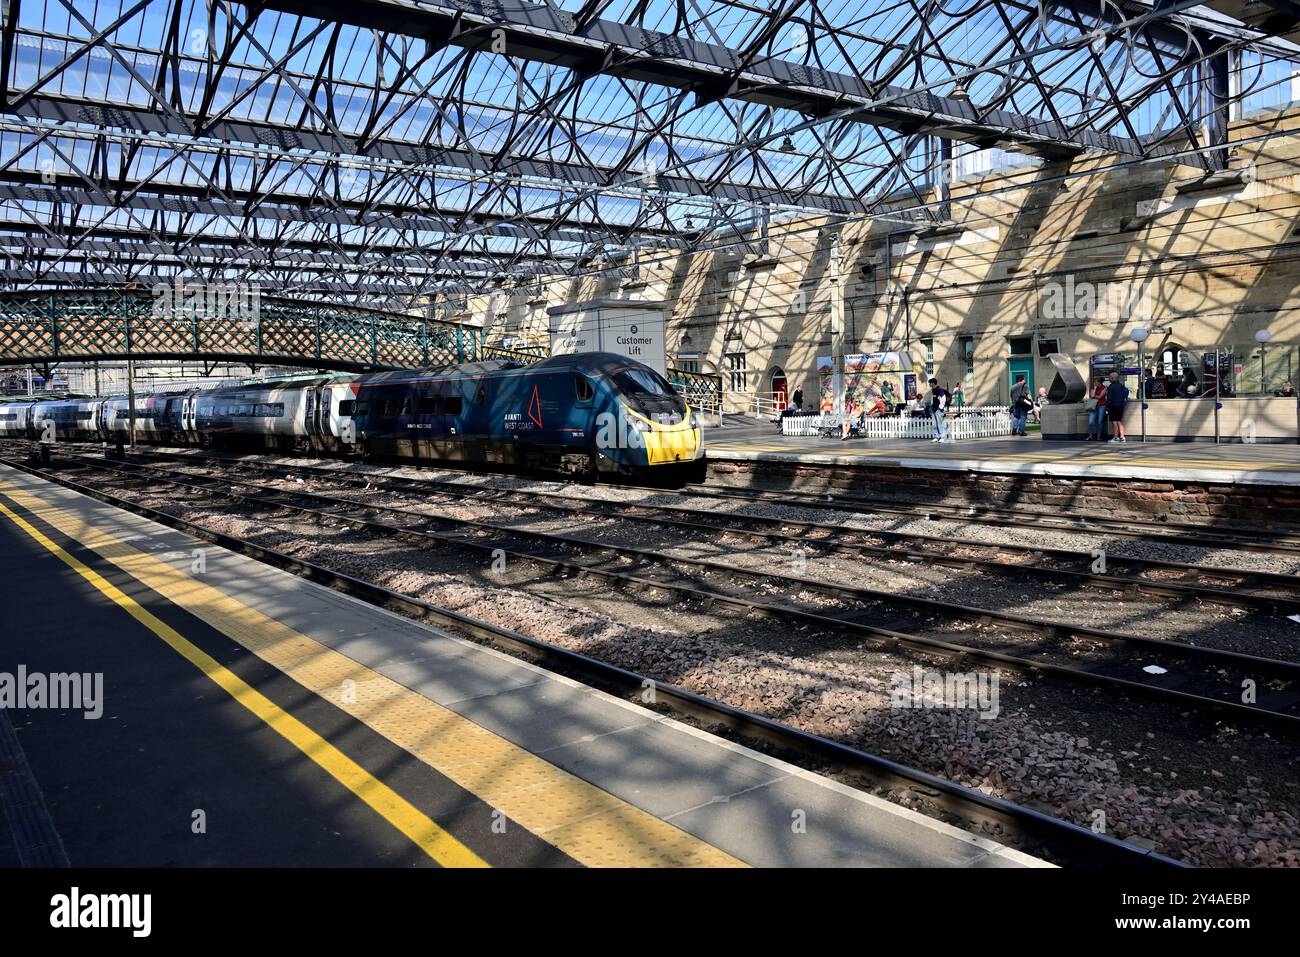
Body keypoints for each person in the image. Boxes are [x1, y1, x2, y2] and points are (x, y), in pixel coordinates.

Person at [1106, 371, 1129, 442]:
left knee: (1114, 421)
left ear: (1113, 378)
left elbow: (1109, 398)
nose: (1109, 379)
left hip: (1113, 405)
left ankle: (1116, 437)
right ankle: (1122, 437)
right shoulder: (1121, 386)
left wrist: (1107, 407)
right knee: (1119, 421)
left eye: (1110, 377)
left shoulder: (1111, 386)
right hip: (1120, 405)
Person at [1085, 376, 1108, 441]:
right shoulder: (1094, 388)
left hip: (1101, 405)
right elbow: (1092, 396)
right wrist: (1095, 389)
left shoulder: (1104, 388)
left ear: (1099, 382)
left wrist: (1095, 396)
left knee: (1100, 421)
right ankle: (1090, 436)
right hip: (1093, 406)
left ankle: (1099, 436)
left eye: (1095, 382)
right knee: (1091, 421)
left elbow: (1100, 397)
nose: (1094, 383)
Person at [928, 378, 949, 442]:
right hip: (933, 408)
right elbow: (934, 399)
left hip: (938, 409)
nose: (929, 384)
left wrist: (940, 407)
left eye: (930, 383)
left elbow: (943, 399)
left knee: (940, 423)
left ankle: (942, 437)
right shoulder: (933, 390)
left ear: (933, 383)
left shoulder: (940, 390)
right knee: (934, 424)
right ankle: (936, 437)